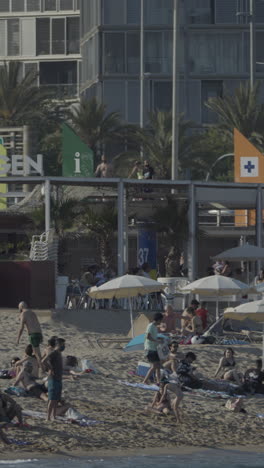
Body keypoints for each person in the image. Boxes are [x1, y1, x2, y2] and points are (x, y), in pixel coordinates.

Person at [16, 302, 43, 369]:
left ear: (21, 307)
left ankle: (42, 369)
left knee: (37, 354)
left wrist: (18, 338)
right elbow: (37, 324)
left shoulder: (23, 313)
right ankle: (40, 366)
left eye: (19, 308)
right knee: (36, 352)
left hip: (33, 335)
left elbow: (21, 328)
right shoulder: (32, 313)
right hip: (39, 334)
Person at [46, 338, 65, 421]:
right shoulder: (53, 352)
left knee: (56, 399)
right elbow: (44, 360)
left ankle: (53, 416)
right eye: (62, 344)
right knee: (51, 399)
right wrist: (50, 369)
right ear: (58, 344)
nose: (63, 346)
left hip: (59, 379)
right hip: (53, 379)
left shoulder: (59, 353)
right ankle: (48, 417)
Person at [143, 313, 163, 385]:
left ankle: (158, 381)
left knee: (158, 365)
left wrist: (158, 339)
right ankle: (145, 380)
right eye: (161, 320)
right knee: (154, 366)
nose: (161, 322)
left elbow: (153, 337)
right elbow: (148, 337)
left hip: (154, 348)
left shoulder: (155, 327)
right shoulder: (151, 326)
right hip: (150, 348)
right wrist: (156, 340)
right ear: (158, 320)